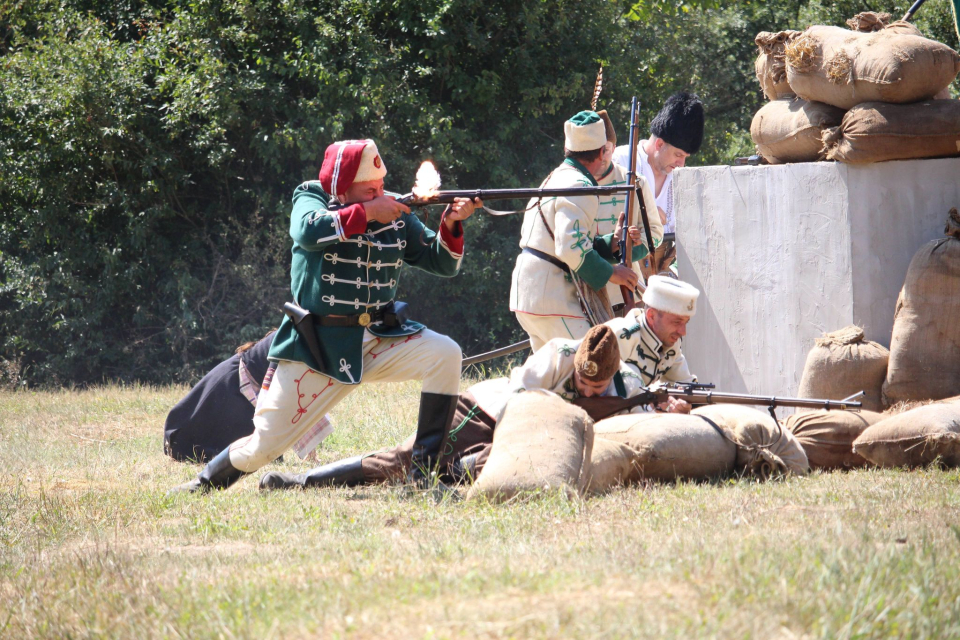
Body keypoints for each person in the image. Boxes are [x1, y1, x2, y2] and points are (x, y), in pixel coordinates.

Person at [170, 139, 480, 494]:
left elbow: (440, 262)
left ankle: (423, 476)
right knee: (264, 445)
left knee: (445, 353)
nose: (380, 192)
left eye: (381, 186)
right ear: (342, 188)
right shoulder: (311, 196)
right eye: (370, 189)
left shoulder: (392, 209)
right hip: (320, 346)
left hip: (381, 335)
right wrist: (367, 213)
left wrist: (452, 223)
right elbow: (307, 229)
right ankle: (203, 482)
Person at [258, 324, 687, 490]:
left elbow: (639, 432)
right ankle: (301, 481)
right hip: (487, 412)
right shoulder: (557, 353)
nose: (591, 393)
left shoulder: (629, 384)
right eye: (583, 383)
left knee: (508, 474)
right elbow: (522, 402)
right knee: (406, 460)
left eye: (598, 387)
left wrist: (667, 411)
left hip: (522, 444)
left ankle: (452, 474)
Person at [509, 111, 653, 352]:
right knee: (598, 359)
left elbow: (570, 241)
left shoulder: (556, 177)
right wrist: (612, 273)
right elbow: (571, 248)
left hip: (531, 294)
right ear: (600, 152)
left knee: (552, 379)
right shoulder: (579, 184)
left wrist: (614, 242)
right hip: (551, 297)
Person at [593, 109, 664, 309]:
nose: (600, 157)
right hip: (584, 290)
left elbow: (655, 235)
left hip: (625, 291)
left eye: (605, 150)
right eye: (594, 151)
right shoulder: (574, 182)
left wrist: (632, 246)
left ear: (614, 148)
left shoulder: (635, 182)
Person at [611, 92, 704, 236]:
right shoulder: (620, 161)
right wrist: (644, 212)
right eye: (678, 154)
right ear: (660, 144)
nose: (681, 164)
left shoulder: (681, 178)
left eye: (686, 157)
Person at [604, 276, 699, 416]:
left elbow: (685, 383)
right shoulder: (618, 335)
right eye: (677, 322)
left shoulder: (670, 343)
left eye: (686, 323)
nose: (683, 332)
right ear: (651, 316)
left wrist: (685, 405)